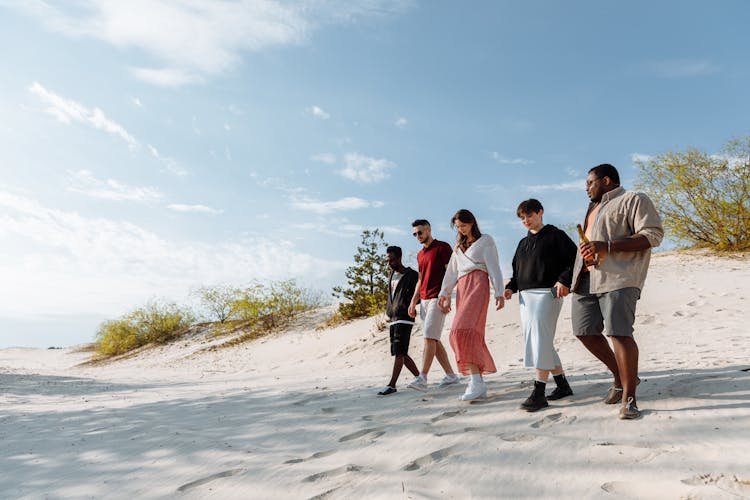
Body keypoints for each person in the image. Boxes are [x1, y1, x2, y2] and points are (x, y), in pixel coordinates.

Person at [571, 163, 663, 419]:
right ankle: (621, 377)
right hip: (585, 279)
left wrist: (607, 246)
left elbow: (652, 235)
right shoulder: (592, 209)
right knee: (584, 332)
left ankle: (630, 399)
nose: (586, 188)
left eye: (590, 182)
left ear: (607, 180)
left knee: (619, 333)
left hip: (619, 278)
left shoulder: (633, 199)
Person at [504, 199, 577, 412]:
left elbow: (574, 259)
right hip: (526, 298)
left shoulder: (556, 235)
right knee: (542, 341)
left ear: (540, 213)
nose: (526, 220)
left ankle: (539, 392)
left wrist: (564, 280)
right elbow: (517, 273)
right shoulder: (522, 243)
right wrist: (510, 287)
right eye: (523, 218)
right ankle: (562, 386)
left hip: (548, 294)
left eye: (530, 215)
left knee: (540, 341)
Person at [438, 209, 505, 401]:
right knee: (459, 333)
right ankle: (477, 381)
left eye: (464, 225)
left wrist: (499, 292)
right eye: (458, 227)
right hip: (462, 289)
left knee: (464, 331)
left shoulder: (486, 241)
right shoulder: (458, 246)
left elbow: (494, 266)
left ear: (472, 223)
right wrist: (445, 292)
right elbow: (451, 271)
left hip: (478, 286)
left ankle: (476, 382)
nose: (461, 229)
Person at [406, 219, 460, 391]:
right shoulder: (420, 254)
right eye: (415, 234)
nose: (417, 236)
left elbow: (451, 273)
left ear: (428, 230)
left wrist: (447, 295)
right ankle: (451, 375)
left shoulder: (442, 247)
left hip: (438, 297)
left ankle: (422, 377)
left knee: (429, 336)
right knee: (433, 338)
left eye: (420, 232)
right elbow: (420, 279)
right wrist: (414, 301)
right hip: (424, 300)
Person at [378, 246, 420, 396]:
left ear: (399, 258)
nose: (389, 263)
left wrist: (409, 304)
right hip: (393, 318)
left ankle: (392, 385)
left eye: (392, 260)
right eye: (387, 260)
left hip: (405, 318)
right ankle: (420, 378)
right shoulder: (391, 275)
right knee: (401, 352)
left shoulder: (412, 275)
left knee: (399, 352)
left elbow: (420, 292)